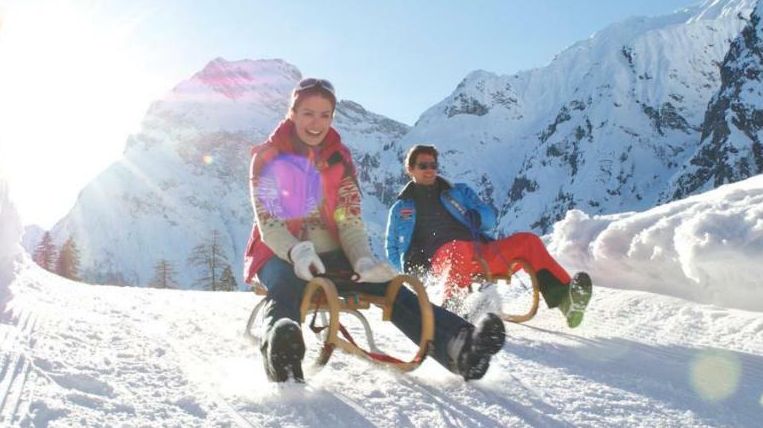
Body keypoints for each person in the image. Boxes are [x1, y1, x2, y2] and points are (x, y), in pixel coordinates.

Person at [244, 79, 506, 382]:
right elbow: (270, 222)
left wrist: (362, 260)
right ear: (292, 113)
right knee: (286, 284)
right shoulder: (268, 157)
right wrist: (298, 252)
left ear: (332, 117)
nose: (316, 123)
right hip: (280, 250)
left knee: (389, 289)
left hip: (333, 254)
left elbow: (348, 218)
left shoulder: (338, 160)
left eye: (324, 115)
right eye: (307, 113)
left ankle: (460, 346)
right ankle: (281, 350)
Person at [385, 144, 593, 327]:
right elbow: (392, 247)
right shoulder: (401, 207)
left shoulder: (458, 192)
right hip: (437, 262)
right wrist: (413, 272)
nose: (429, 170)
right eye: (423, 165)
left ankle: (567, 301)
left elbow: (489, 218)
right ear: (410, 169)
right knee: (457, 247)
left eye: (433, 165)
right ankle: (452, 312)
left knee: (528, 242)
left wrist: (478, 216)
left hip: (477, 252)